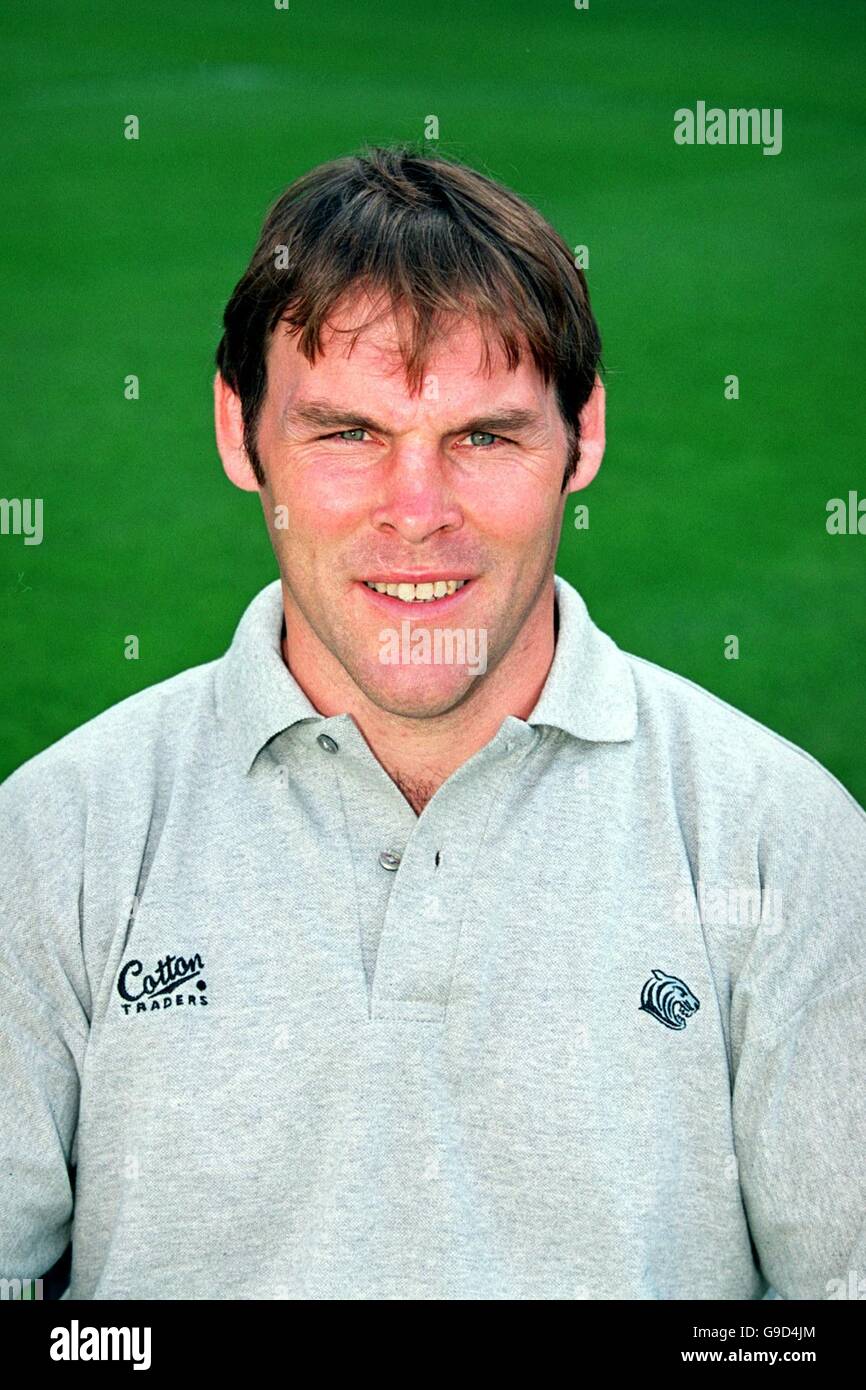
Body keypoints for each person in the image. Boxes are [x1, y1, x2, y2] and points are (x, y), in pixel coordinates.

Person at [1, 146, 864, 1301]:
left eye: (484, 437)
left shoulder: (784, 840)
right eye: (348, 433)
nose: (418, 514)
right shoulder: (53, 836)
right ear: (237, 431)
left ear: (583, 435)